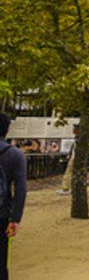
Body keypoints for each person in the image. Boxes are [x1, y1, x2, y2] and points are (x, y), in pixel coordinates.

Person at [0, 113, 27, 280]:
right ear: (7, 129)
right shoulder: (15, 154)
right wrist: (15, 219)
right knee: (1, 262)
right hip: (2, 214)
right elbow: (21, 189)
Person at [58, 123, 79, 195]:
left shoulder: (79, 138)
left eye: (74, 128)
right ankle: (70, 187)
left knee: (68, 172)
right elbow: (73, 148)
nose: (73, 130)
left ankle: (66, 188)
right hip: (73, 157)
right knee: (71, 173)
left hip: (74, 157)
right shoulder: (77, 137)